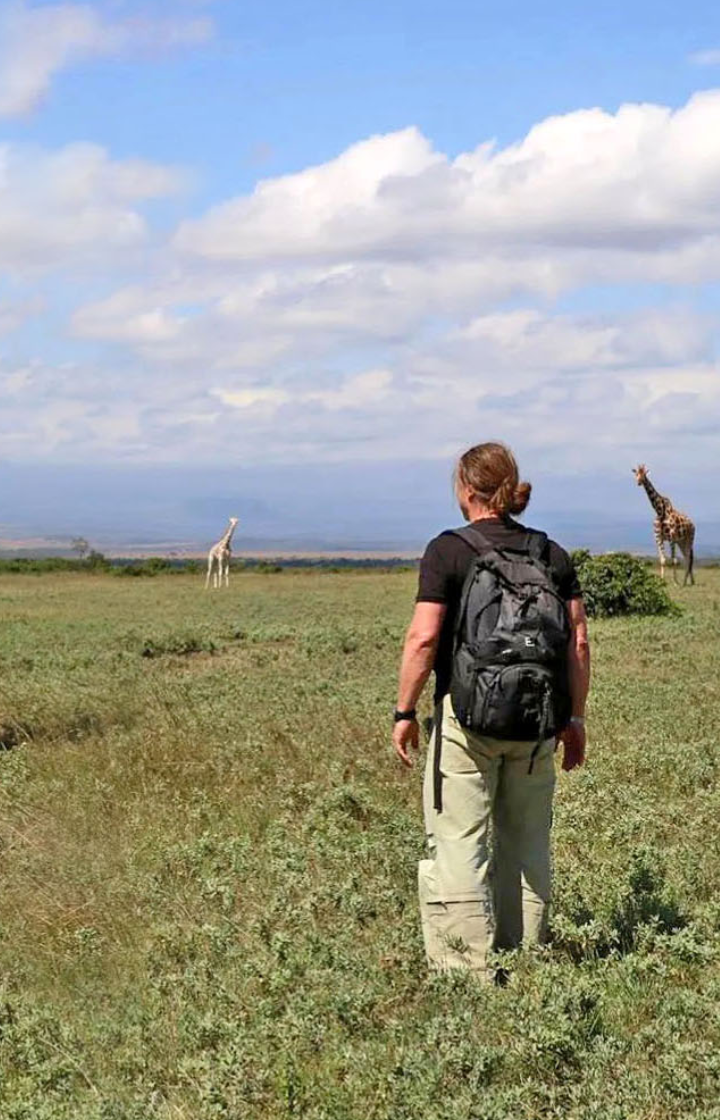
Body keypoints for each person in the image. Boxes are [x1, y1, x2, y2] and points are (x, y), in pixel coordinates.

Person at [393, 442, 590, 976]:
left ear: (466, 489)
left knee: (460, 841)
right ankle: (525, 962)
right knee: (528, 842)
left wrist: (404, 711)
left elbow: (423, 639)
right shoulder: (551, 554)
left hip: (467, 720)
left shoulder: (448, 550)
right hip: (538, 721)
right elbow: (577, 643)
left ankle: (468, 974)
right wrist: (573, 719)